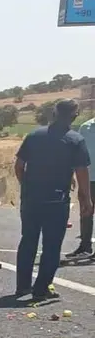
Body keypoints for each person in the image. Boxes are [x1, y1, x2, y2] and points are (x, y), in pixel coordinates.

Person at [13, 99, 92, 301]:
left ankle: (22, 286)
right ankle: (41, 288)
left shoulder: (34, 136)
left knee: (28, 240)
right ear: (74, 115)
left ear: (54, 114)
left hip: (31, 199)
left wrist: (27, 187)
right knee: (52, 245)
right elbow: (82, 172)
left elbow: (19, 166)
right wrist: (86, 200)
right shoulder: (75, 140)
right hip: (56, 200)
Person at [66, 111, 95, 260]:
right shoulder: (86, 127)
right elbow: (76, 153)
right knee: (85, 211)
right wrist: (71, 173)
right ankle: (85, 246)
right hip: (88, 178)